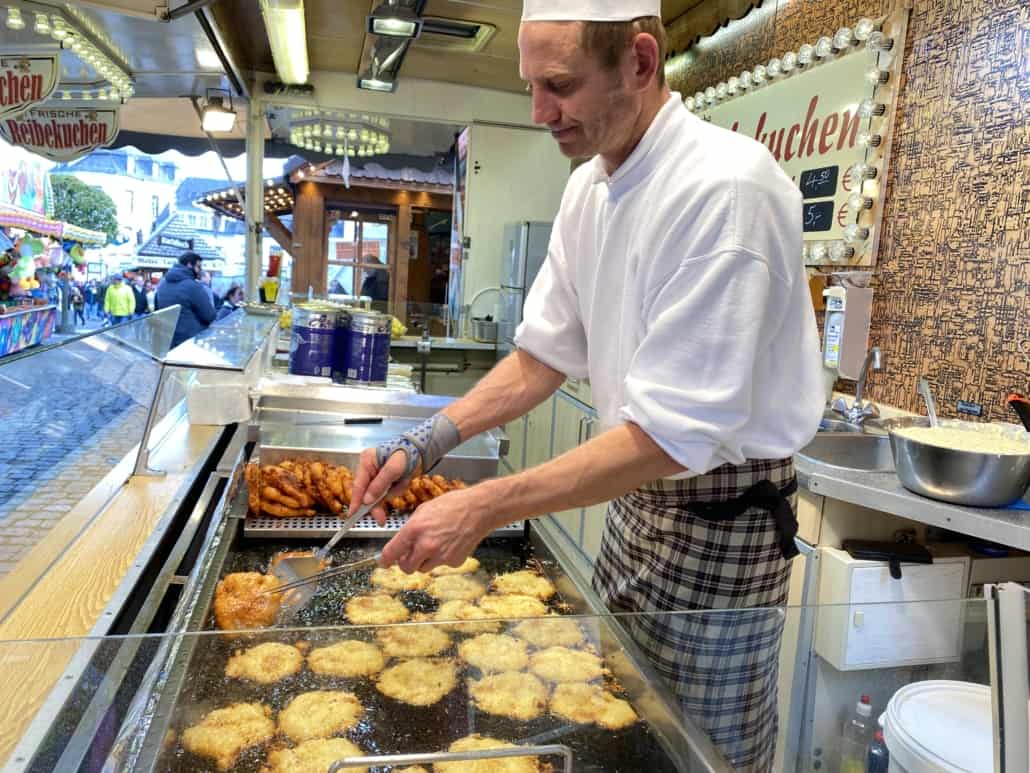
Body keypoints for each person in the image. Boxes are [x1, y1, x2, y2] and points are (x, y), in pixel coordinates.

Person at [347, 3, 824, 771]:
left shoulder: (728, 189)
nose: (540, 113)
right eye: (531, 85)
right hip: (635, 509)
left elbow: (673, 436)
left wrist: (482, 502)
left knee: (702, 754)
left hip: (721, 526)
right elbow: (541, 355)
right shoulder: (591, 187)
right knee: (607, 727)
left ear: (639, 62)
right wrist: (427, 440)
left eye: (559, 85)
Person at [155, 252, 217, 348]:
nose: (200, 270)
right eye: (199, 266)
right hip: (190, 341)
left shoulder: (162, 284)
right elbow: (209, 315)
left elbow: (157, 309)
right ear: (189, 264)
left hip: (167, 339)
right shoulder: (193, 286)